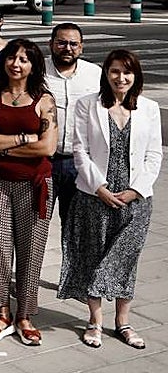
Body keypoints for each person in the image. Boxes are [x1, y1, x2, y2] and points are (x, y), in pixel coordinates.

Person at [58, 49, 162, 350]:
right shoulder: (88, 105)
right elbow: (81, 151)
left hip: (136, 199)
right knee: (93, 255)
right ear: (106, 73)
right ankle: (95, 322)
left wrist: (136, 190)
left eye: (127, 72)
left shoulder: (149, 108)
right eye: (115, 71)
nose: (121, 77)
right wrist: (100, 187)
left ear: (136, 76)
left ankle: (124, 322)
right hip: (95, 196)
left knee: (125, 258)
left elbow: (154, 155)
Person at [0, 38, 57, 346]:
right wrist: (25, 138)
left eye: (23, 59)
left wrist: (2, 143)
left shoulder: (44, 100)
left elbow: (47, 147)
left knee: (31, 249)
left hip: (35, 184)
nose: (16, 64)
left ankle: (25, 315)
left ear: (33, 65)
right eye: (11, 58)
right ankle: (2, 312)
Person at [46, 22, 103, 228]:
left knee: (75, 228)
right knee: (36, 224)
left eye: (73, 44)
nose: (67, 48)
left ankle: (71, 262)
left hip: (78, 163)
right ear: (51, 44)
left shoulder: (95, 74)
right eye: (61, 43)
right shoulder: (37, 71)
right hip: (44, 162)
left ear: (81, 47)